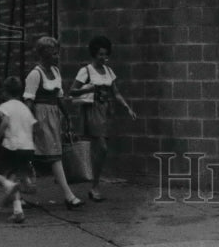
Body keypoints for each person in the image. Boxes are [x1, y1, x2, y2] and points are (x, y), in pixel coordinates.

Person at [69, 36, 137, 201]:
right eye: (100, 54)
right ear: (94, 54)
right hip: (92, 111)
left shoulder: (108, 70)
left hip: (106, 111)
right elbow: (72, 91)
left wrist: (127, 107)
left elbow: (116, 92)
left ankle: (94, 184)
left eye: (106, 54)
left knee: (99, 149)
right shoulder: (85, 71)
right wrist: (89, 88)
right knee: (102, 147)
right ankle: (94, 185)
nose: (103, 58)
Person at [23, 36, 82, 209]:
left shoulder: (56, 71)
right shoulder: (35, 74)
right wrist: (29, 123)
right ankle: (69, 196)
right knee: (52, 156)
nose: (57, 56)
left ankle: (16, 194)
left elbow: (59, 97)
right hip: (40, 117)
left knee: (42, 156)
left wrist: (67, 116)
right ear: (44, 54)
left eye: (57, 53)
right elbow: (29, 101)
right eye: (54, 53)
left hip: (54, 117)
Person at [0, 76, 37, 224]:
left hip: (12, 145)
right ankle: (18, 212)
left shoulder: (5, 106)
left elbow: (5, 123)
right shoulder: (25, 109)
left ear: (5, 92)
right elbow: (33, 127)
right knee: (13, 177)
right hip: (27, 147)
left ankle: (9, 186)